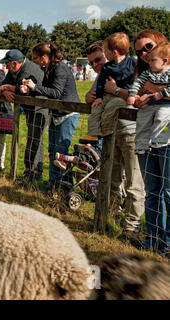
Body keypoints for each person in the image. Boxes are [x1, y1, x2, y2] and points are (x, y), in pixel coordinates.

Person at [84, 40, 145, 238]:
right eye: (91, 63)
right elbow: (92, 95)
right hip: (111, 135)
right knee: (111, 178)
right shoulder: (106, 72)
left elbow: (140, 96)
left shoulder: (133, 66)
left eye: (98, 60)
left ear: (109, 53)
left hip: (131, 132)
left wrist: (116, 91)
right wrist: (89, 96)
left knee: (134, 182)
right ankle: (108, 216)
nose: (95, 65)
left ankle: (132, 228)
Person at [21, 43, 80, 192]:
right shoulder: (48, 69)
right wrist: (29, 89)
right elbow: (46, 91)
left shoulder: (59, 68)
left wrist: (34, 87)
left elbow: (56, 92)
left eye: (35, 58)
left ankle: (63, 187)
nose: (34, 61)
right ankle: (55, 185)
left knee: (61, 153)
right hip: (56, 114)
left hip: (67, 115)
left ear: (44, 57)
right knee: (54, 152)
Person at [132, 30, 170, 256]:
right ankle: (153, 238)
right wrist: (136, 98)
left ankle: (168, 243)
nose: (144, 53)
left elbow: (151, 91)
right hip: (146, 139)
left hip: (166, 138)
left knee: (168, 192)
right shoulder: (144, 72)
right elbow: (135, 93)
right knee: (152, 190)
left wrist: (156, 93)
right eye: (139, 51)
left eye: (148, 48)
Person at [0, 49, 48, 183]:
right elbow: (1, 85)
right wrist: (5, 91)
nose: (6, 67)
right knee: (33, 139)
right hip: (30, 110)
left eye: (7, 64)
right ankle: (32, 173)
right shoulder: (14, 70)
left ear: (14, 63)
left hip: (40, 110)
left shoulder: (29, 69)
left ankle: (33, 173)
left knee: (35, 140)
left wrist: (8, 87)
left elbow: (23, 90)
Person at [88, 33, 136, 138]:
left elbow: (138, 82)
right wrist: (99, 98)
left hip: (122, 97)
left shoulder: (133, 63)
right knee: (96, 108)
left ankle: (106, 129)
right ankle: (93, 133)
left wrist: (119, 90)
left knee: (113, 105)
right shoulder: (107, 67)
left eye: (105, 51)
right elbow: (100, 83)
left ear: (114, 52)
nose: (105, 53)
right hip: (107, 96)